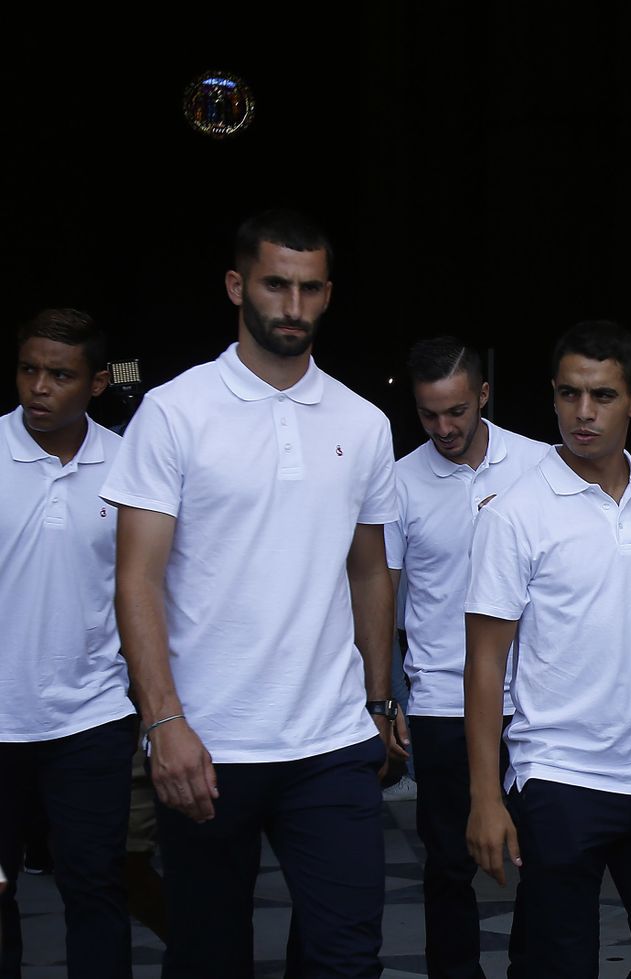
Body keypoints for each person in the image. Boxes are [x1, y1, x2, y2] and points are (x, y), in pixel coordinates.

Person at [102, 210, 403, 977]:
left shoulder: (363, 422)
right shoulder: (175, 411)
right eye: (276, 284)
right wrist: (162, 719)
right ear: (238, 286)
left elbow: (369, 569)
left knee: (348, 954)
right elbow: (135, 575)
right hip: (209, 741)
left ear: (328, 294)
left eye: (309, 288)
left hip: (331, 741)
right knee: (209, 956)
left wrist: (376, 700)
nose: (292, 306)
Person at [464, 320, 631, 978]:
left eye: (602, 395)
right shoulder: (512, 513)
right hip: (561, 775)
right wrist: (486, 796)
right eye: (570, 393)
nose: (583, 412)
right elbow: (485, 662)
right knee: (554, 964)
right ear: (552, 395)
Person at [386, 335, 546, 977]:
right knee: (448, 864)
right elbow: (385, 599)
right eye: (429, 415)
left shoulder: (541, 466)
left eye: (456, 410)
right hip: (442, 703)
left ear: (483, 394)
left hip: (536, 702)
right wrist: (384, 693)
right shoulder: (399, 481)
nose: (444, 428)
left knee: (546, 859)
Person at [1, 309, 136, 978]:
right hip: (0, 722)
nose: (39, 387)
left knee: (95, 887)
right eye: (29, 369)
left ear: (98, 382)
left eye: (60, 374)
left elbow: (153, 593)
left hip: (92, 718)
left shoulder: (128, 467)